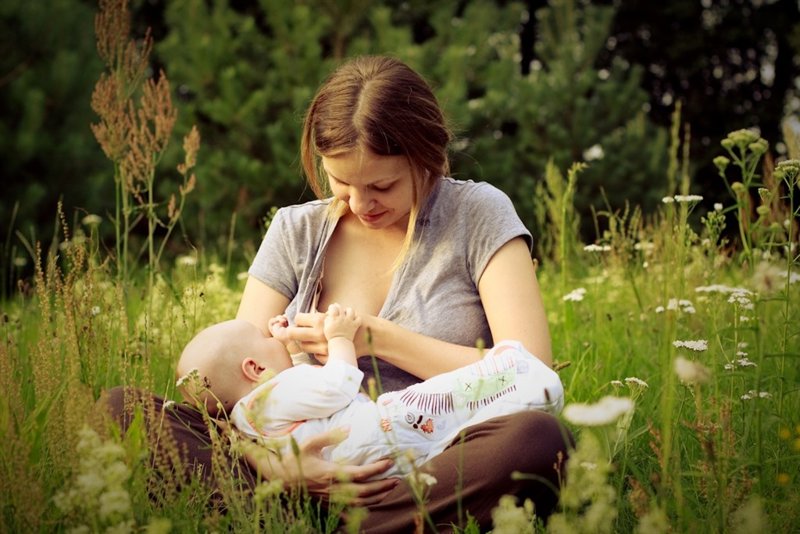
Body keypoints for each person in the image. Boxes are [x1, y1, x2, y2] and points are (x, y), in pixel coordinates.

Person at [101, 55, 571, 532]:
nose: (361, 204)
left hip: (430, 466)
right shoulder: (296, 230)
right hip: (290, 467)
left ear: (426, 157)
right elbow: (226, 394)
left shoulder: (478, 214)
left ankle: (323, 523)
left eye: (381, 186)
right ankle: (295, 511)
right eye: (341, 181)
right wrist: (273, 467)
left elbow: (529, 372)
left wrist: (376, 339)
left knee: (537, 439)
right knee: (122, 410)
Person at [176, 304, 564, 480]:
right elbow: (337, 385)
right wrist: (343, 340)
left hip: (359, 468)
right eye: (264, 338)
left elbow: (298, 391)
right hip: (379, 428)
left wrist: (287, 346)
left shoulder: (250, 416)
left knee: (467, 432)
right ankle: (514, 374)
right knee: (445, 400)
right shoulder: (274, 391)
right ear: (255, 369)